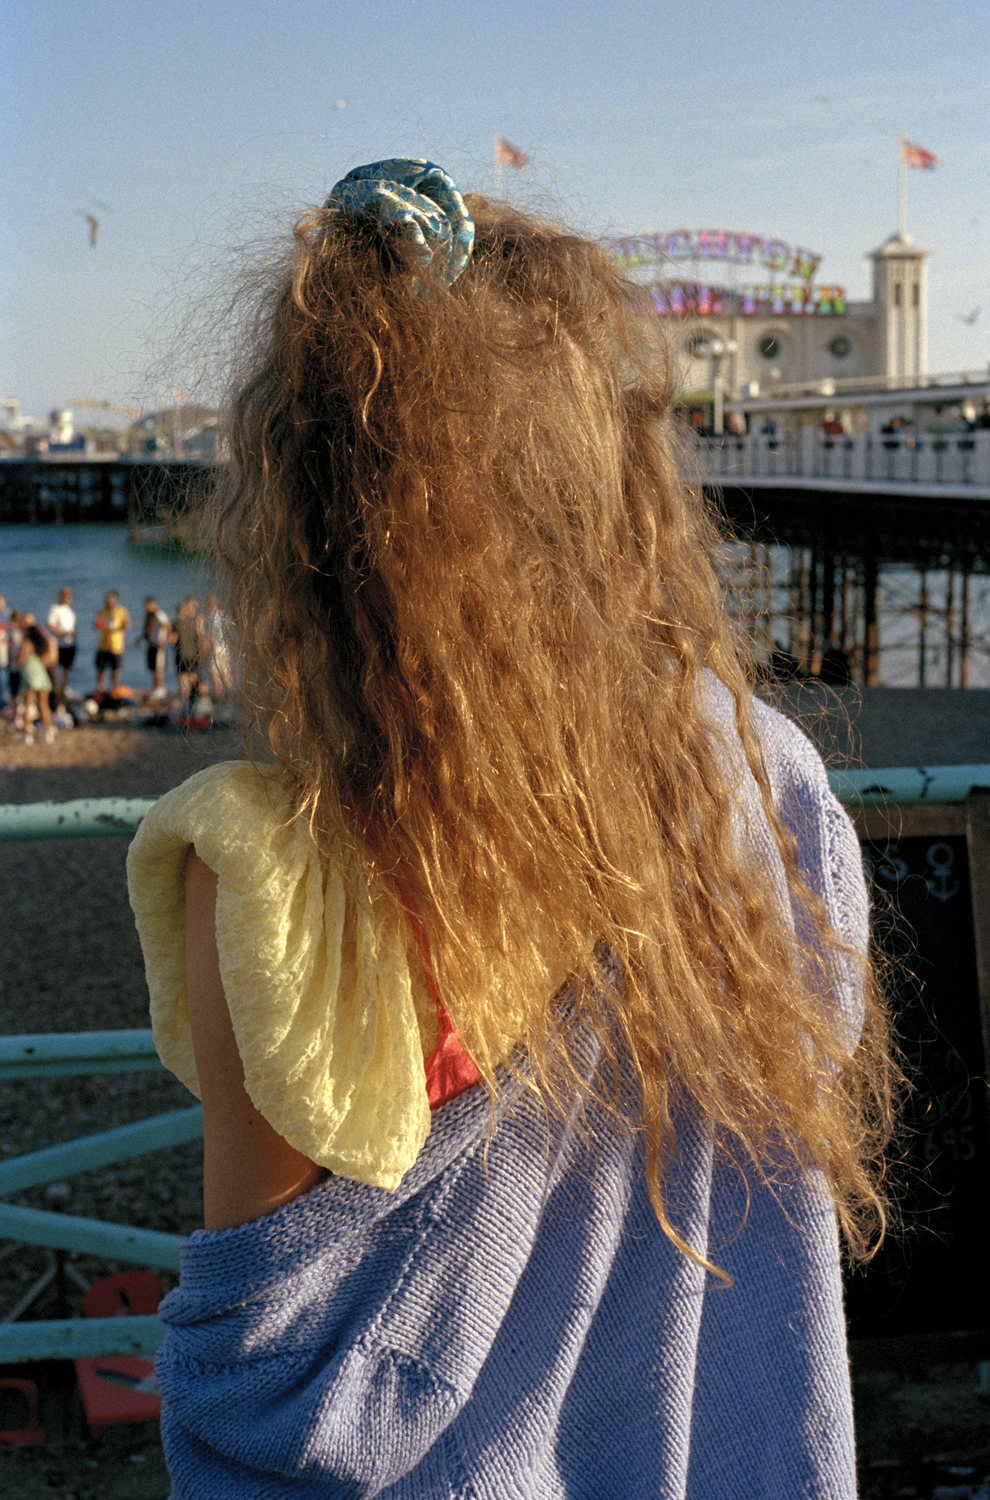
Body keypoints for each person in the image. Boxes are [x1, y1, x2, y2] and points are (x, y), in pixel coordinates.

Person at [127, 160, 894, 1498]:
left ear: (313, 512)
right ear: (615, 479)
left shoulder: (278, 861)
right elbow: (803, 1076)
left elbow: (272, 1360)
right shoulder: (759, 776)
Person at [16, 624, 56, 744]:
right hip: (41, 675)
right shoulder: (41, 644)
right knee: (43, 705)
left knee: (27, 705)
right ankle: (48, 732)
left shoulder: (27, 643)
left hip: (30, 675)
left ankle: (27, 736)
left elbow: (21, 660)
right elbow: (48, 660)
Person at [94, 591, 131, 694]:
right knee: (101, 668)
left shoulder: (121, 610)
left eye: (111, 599)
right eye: (107, 599)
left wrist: (117, 627)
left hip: (116, 645)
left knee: (116, 669)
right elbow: (96, 626)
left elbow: (127, 625)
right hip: (103, 645)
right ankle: (100, 688)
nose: (109, 601)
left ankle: (114, 688)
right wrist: (100, 625)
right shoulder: (102, 612)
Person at [46, 586, 77, 699]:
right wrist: (62, 634)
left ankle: (65, 688)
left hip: (70, 643)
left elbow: (72, 627)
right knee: (56, 669)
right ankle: (56, 690)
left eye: (68, 596)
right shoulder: (55, 608)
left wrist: (72, 634)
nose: (66, 598)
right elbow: (51, 625)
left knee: (66, 668)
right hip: (58, 644)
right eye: (64, 595)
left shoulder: (70, 611)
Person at [138, 596, 172, 697]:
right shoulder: (149, 616)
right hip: (151, 643)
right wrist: (141, 638)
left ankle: (160, 688)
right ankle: (155, 688)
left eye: (148, 605)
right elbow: (148, 630)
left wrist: (164, 641)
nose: (147, 607)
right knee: (153, 668)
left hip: (159, 644)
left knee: (158, 668)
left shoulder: (159, 614)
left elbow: (167, 626)